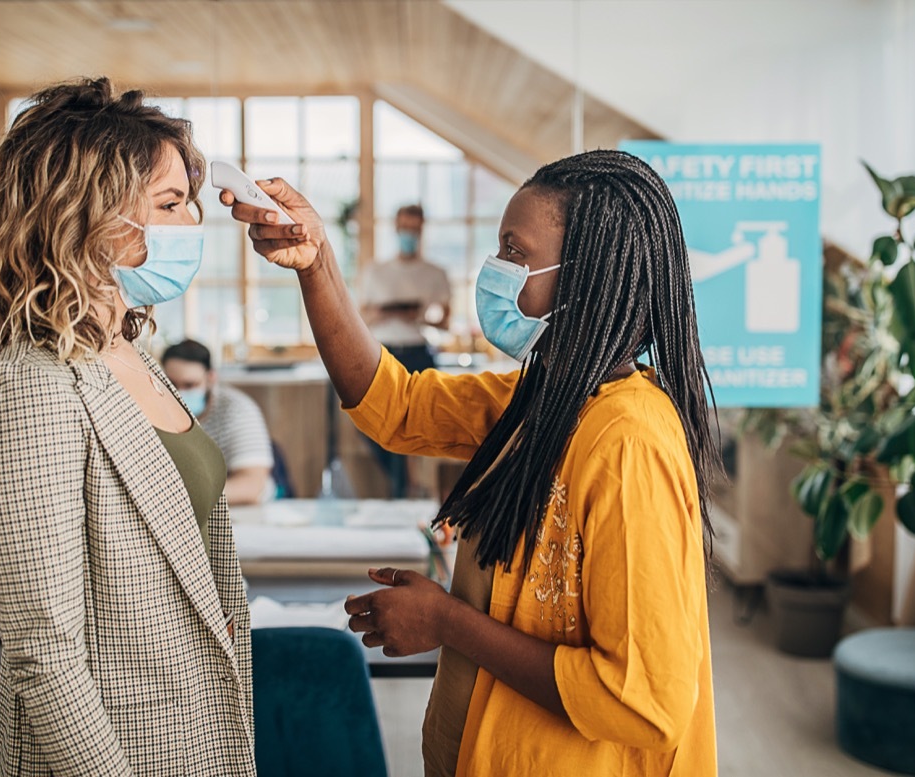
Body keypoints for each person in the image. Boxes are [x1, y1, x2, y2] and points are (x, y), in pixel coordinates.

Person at [221, 150, 719, 776]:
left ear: (587, 274)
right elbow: (394, 405)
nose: (497, 270)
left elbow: (642, 701)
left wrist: (448, 622)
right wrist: (317, 264)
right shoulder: (543, 400)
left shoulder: (629, 442)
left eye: (515, 252)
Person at [0, 77, 254, 777]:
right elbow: (44, 654)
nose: (192, 225)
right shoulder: (28, 387)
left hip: (191, 735)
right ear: (85, 212)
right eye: (170, 204)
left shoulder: (128, 349)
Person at [355, 204, 452, 497]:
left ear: (421, 230)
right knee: (371, 421)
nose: (408, 233)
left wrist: (418, 315)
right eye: (404, 227)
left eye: (414, 228)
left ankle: (410, 489)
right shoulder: (375, 272)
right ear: (396, 228)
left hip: (418, 353)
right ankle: (403, 485)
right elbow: (359, 318)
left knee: (419, 424)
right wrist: (386, 312)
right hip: (382, 353)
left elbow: (445, 322)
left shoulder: (435, 274)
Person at [161, 339, 276, 505]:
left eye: (190, 385)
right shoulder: (157, 411)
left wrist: (179, 499)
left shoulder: (238, 410)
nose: (179, 393)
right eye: (171, 385)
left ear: (211, 378)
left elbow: (252, 485)